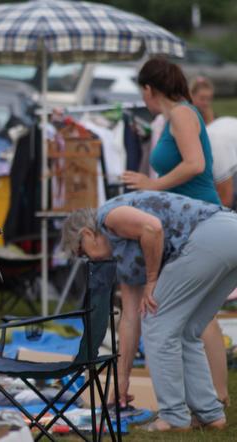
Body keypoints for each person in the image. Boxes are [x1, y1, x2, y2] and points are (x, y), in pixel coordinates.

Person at [62, 190, 237, 431]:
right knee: (187, 329)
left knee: (156, 322)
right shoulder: (123, 254)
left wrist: (153, 279)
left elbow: (152, 228)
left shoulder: (108, 216)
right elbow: (130, 319)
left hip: (209, 236)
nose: (88, 260)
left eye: (81, 253)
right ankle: (210, 414)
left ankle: (174, 417)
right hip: (227, 236)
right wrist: (122, 380)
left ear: (87, 234)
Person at [119, 57, 229, 410]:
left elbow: (195, 164)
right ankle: (201, 398)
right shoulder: (171, 117)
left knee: (193, 318)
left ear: (150, 90)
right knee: (188, 318)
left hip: (199, 223)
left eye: (143, 93)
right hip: (185, 226)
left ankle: (214, 395)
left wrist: (152, 185)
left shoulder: (181, 113)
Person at [190, 76, 237, 208]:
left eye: (208, 99)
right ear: (191, 96)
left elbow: (225, 195)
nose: (205, 103)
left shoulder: (215, 129)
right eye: (202, 98)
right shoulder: (188, 117)